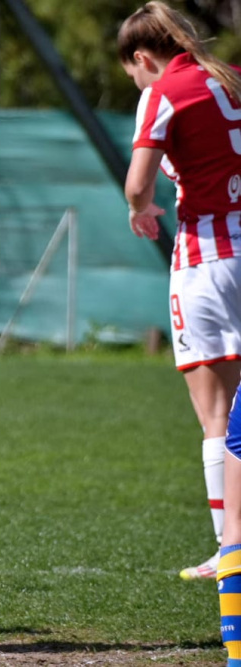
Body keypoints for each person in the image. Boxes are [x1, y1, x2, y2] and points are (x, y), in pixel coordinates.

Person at [119, 1, 241, 584]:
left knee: (216, 415)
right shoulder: (233, 80)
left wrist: (138, 211)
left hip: (209, 261)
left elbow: (140, 182)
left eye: (134, 74)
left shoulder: (166, 90)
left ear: (142, 58)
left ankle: (231, 550)